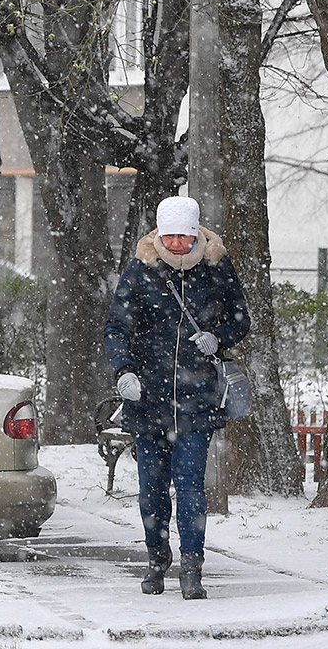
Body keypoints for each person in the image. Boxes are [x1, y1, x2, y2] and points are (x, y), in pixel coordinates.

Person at [103, 195, 250, 600]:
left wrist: (218, 337)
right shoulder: (141, 269)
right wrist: (124, 371)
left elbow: (241, 318)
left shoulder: (216, 267)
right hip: (148, 402)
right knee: (151, 487)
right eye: (169, 237)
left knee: (189, 486)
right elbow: (116, 328)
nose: (177, 245)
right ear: (159, 235)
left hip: (197, 400)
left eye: (184, 238)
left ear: (195, 233)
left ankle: (192, 565)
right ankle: (156, 560)